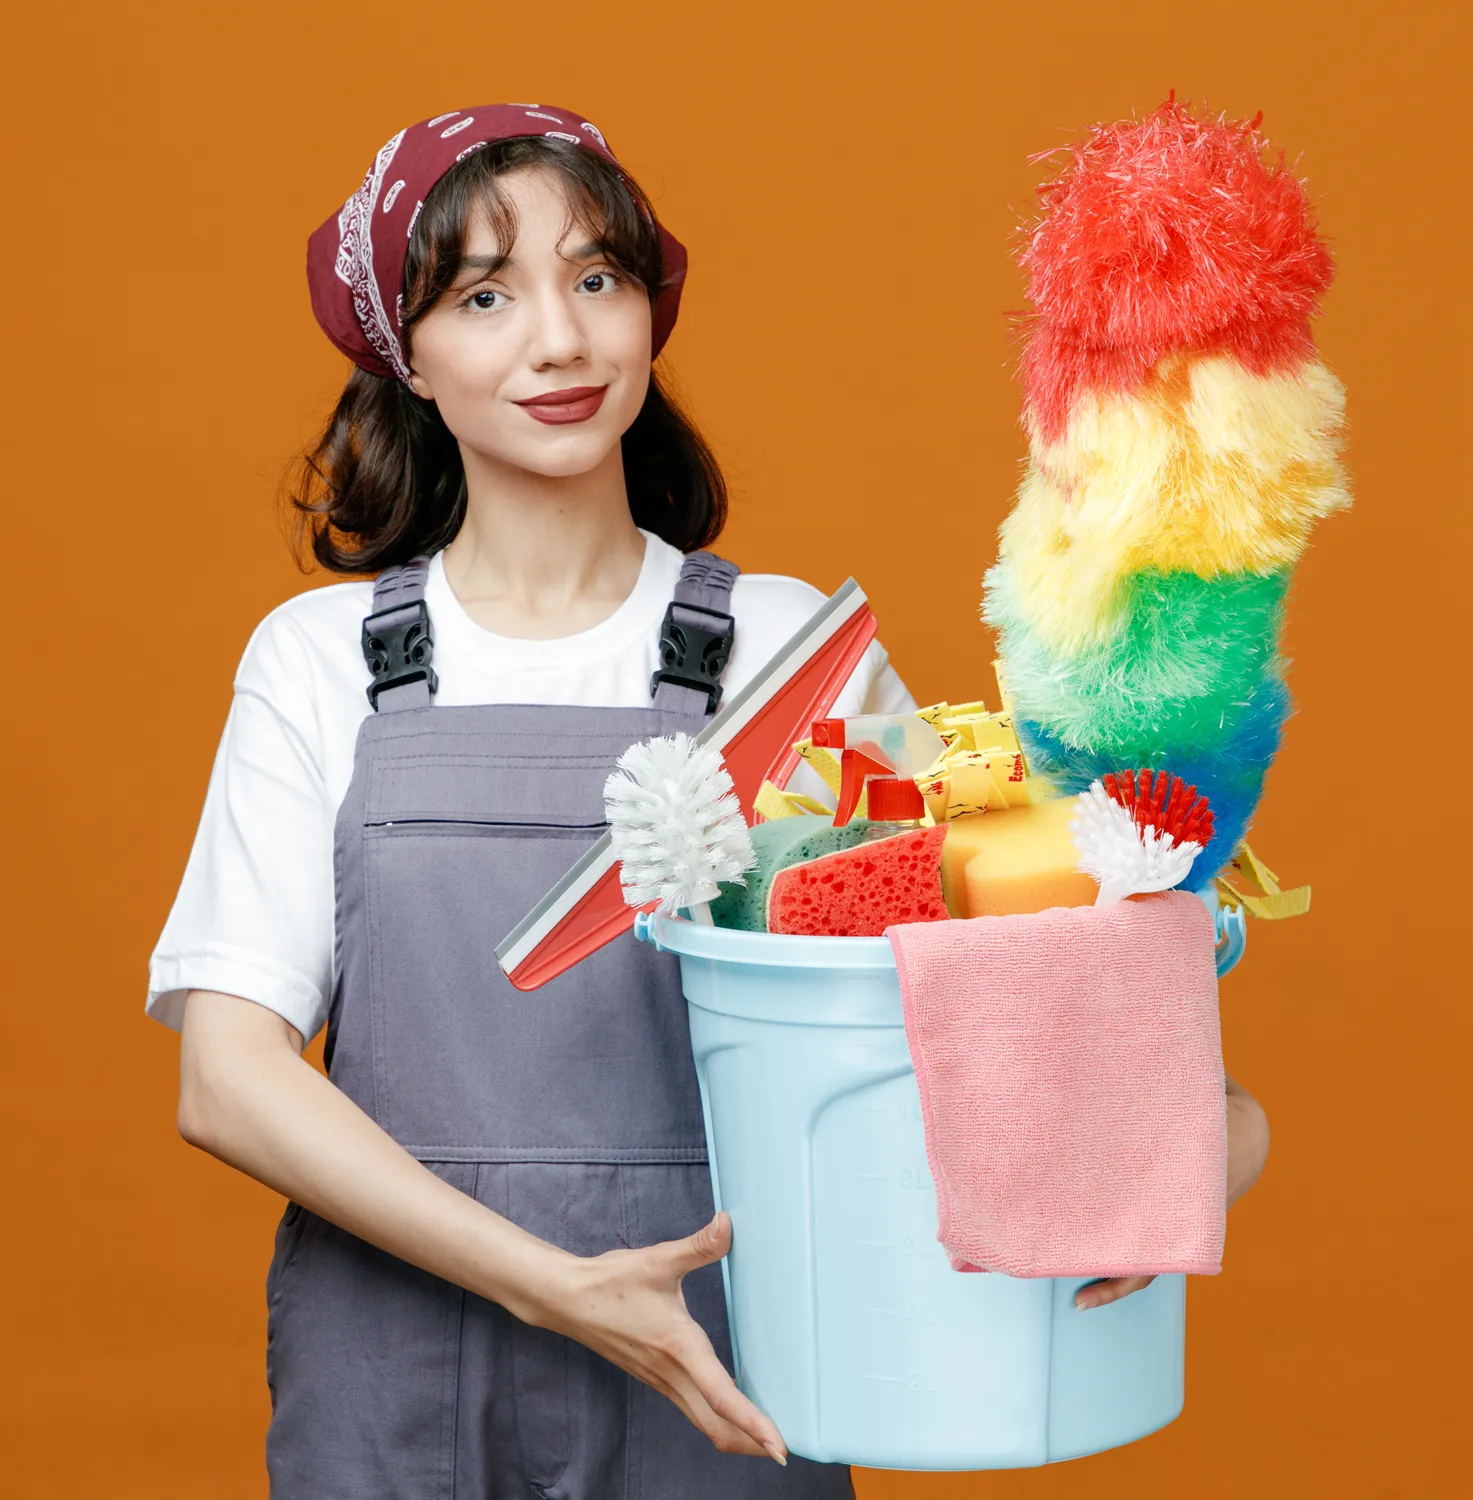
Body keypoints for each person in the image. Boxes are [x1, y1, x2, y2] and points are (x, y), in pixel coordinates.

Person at [148, 104, 1269, 1498]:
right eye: (485, 296)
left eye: (597, 278)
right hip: (393, 1373)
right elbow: (230, 1079)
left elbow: (968, 995)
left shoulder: (787, 655)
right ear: (408, 359)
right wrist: (560, 1288)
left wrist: (1208, 1128)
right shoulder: (321, 664)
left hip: (732, 1356)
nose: (558, 339)